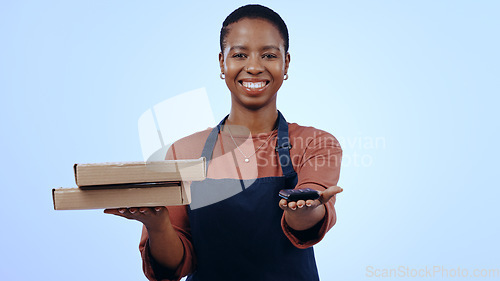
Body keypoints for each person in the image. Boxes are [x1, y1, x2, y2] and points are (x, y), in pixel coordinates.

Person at [105, 4, 343, 281]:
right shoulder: (183, 152)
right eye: (240, 54)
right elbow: (172, 266)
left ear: (286, 63)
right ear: (222, 62)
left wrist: (305, 208)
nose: (253, 67)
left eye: (269, 55)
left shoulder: (316, 143)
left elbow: (307, 218)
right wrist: (158, 226)